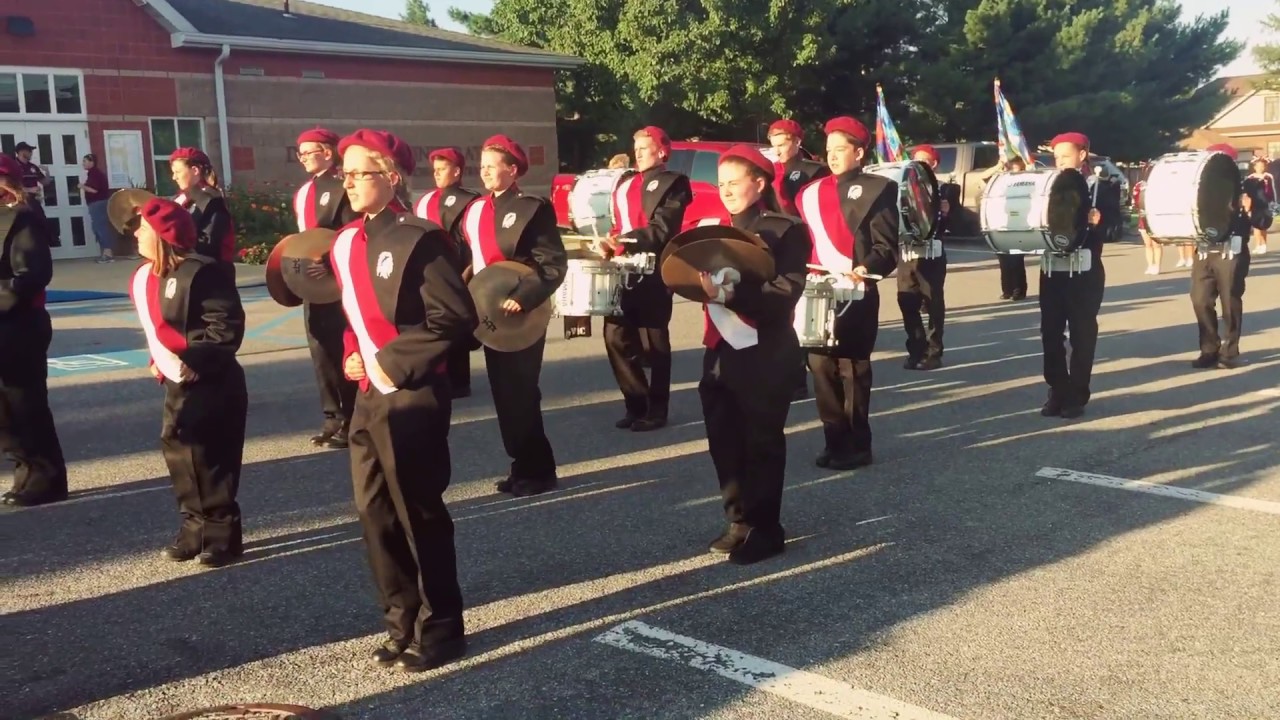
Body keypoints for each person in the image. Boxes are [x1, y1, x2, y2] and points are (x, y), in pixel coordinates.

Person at [333, 129, 477, 672]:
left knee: (418, 513)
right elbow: (352, 314)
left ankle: (441, 627)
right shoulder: (346, 240)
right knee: (374, 513)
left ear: (391, 177)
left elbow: (454, 319)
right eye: (344, 173)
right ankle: (400, 618)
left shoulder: (422, 238)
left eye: (359, 172)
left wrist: (388, 363)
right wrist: (353, 356)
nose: (347, 181)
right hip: (369, 396)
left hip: (412, 392)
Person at [695, 144, 811, 564]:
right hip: (719, 350)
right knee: (723, 439)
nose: (725, 190)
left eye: (734, 181)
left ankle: (767, 528)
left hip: (765, 350)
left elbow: (784, 293)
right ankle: (738, 519)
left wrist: (727, 292)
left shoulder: (786, 230)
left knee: (761, 441)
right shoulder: (710, 229)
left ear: (759, 183)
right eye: (720, 182)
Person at [129, 197, 247, 567]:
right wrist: (157, 359)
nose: (135, 234)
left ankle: (222, 536)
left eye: (143, 228)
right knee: (180, 454)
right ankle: (193, 529)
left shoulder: (202, 271)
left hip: (211, 379)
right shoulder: (144, 275)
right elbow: (158, 326)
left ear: (163, 235)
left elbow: (224, 324)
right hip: (177, 380)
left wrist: (197, 360)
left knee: (211, 458)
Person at [458, 135, 566, 497]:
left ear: (512, 169)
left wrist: (524, 297)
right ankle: (522, 464)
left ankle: (539, 469)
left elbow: (552, 265)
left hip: (521, 312)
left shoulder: (531, 208)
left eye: (492, 165)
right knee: (504, 394)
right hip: (489, 310)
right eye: (482, 165)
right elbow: (472, 260)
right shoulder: (474, 210)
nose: (484, 171)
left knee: (521, 392)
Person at [795, 117, 899, 469]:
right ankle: (834, 440)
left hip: (855, 289)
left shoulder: (878, 188)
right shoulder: (810, 193)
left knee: (852, 369)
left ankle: (858, 444)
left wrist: (865, 269)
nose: (834, 156)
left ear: (858, 152)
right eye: (829, 150)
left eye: (841, 150)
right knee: (821, 367)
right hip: (819, 289)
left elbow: (885, 246)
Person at [600, 126, 691, 432]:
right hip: (622, 268)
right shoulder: (625, 182)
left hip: (654, 269)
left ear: (662, 152)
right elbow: (620, 222)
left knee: (653, 341)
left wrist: (626, 240)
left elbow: (663, 228)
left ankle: (657, 409)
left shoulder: (674, 183)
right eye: (635, 148)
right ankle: (636, 402)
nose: (636, 153)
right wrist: (610, 242)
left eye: (644, 148)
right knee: (614, 336)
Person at [0, 154, 67, 508]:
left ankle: (47, 477)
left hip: (20, 324)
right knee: (7, 409)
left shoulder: (25, 220)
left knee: (26, 404)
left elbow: (31, 277)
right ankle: (25, 470)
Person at [293, 128, 360, 449]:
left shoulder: (342, 187)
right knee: (319, 349)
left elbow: (351, 232)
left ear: (328, 153)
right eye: (300, 153)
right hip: (311, 280)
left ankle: (352, 416)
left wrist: (330, 261)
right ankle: (332, 415)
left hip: (337, 278)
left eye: (309, 151)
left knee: (341, 347)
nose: (303, 157)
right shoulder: (303, 191)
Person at [1039, 132, 1105, 419]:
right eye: (1056, 157)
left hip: (1084, 271)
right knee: (1050, 333)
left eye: (1065, 156)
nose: (1060, 161)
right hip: (1052, 268)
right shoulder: (1045, 188)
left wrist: (1098, 223)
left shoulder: (1100, 186)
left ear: (1082, 155)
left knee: (1081, 333)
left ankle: (1077, 394)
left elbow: (1112, 225)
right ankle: (1057, 390)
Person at [766, 118, 830, 399]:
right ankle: (787, 372)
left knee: (801, 314)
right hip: (776, 246)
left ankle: (800, 377)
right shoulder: (768, 172)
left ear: (797, 142)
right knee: (781, 313)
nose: (778, 150)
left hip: (804, 245)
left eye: (783, 144)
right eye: (774, 144)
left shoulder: (814, 170)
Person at [413, 147, 481, 399]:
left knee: (458, 323)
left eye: (442, 169)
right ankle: (438, 373)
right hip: (431, 273)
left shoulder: (472, 200)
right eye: (435, 170)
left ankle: (460, 381)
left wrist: (469, 271)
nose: (437, 174)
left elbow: (474, 239)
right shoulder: (424, 201)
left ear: (457, 171)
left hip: (462, 269)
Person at [1190, 144, 1255, 370]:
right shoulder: (1199, 188)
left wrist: (1251, 209)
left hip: (1231, 251)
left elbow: (1263, 220)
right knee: (1200, 300)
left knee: (1230, 301)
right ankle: (1209, 348)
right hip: (1205, 250)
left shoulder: (1248, 186)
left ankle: (1229, 350)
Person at [898, 144, 949, 370]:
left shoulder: (946, 189)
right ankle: (915, 348)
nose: (918, 166)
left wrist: (946, 212)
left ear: (934, 165)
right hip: (907, 254)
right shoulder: (904, 189)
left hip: (932, 254)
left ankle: (933, 351)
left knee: (932, 303)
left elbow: (954, 223)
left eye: (924, 161)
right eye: (915, 161)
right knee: (907, 301)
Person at [169, 148, 237, 265]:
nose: (174, 177)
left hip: (211, 272)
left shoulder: (212, 200)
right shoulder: (180, 199)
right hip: (189, 268)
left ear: (195, 170)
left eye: (178, 172)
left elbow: (208, 244)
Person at [982, 156, 1030, 299]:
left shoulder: (1026, 182)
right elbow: (983, 177)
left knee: (1016, 259)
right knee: (1003, 258)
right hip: (1000, 221)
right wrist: (999, 165)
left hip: (1018, 221)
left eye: (1016, 169)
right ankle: (1007, 290)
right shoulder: (1000, 181)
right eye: (1011, 168)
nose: (1013, 172)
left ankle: (1019, 290)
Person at [766, 119, 830, 215]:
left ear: (797, 142)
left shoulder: (815, 171)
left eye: (781, 145)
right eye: (774, 146)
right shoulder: (771, 170)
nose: (777, 152)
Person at [12, 141, 55, 246]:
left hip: (32, 201)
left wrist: (47, 172)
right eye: (29, 151)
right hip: (18, 201)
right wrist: (29, 189)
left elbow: (44, 182)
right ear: (22, 152)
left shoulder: (33, 167)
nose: (31, 153)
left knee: (41, 222)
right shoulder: (13, 166)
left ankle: (48, 244)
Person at [81, 154, 114, 263]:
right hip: (96, 204)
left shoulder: (95, 174)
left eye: (85, 161)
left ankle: (108, 254)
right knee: (97, 228)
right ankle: (105, 253)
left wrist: (82, 186)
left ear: (92, 162)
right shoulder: (93, 174)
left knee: (101, 228)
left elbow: (94, 190)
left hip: (98, 204)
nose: (83, 163)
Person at [1247, 156, 1273, 255]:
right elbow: (1247, 192)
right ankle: (1257, 244)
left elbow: (1273, 189)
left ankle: (1264, 244)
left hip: (1265, 204)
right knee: (1256, 225)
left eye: (1262, 166)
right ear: (1255, 167)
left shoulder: (1268, 177)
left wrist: (1272, 201)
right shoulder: (1250, 178)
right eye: (1258, 166)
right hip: (1255, 204)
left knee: (1264, 225)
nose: (1260, 168)